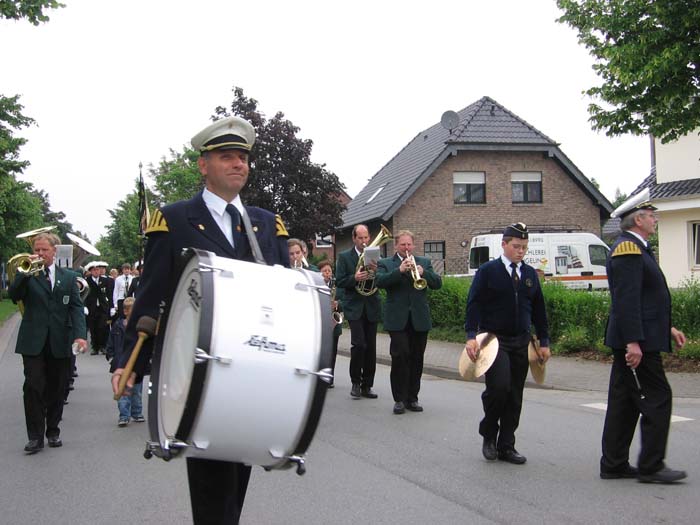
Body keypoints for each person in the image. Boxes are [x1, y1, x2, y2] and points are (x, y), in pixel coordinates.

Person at [112, 116, 290, 524]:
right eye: (227, 157)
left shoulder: (267, 224)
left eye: (243, 157)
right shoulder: (174, 220)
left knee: (237, 478)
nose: (239, 164)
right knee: (213, 486)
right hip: (198, 369)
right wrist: (130, 362)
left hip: (253, 368)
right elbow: (152, 294)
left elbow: (282, 299)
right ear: (203, 165)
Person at [600, 191, 687, 483]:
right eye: (651, 216)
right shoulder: (628, 249)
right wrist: (633, 342)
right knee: (658, 397)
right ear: (638, 220)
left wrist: (668, 328)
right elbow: (626, 299)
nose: (655, 220)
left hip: (642, 336)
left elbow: (646, 299)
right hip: (639, 342)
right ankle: (651, 466)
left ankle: (613, 464)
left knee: (624, 402)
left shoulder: (638, 247)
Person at [464, 222, 550, 465]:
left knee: (515, 394)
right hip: (494, 341)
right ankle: (489, 433)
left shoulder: (530, 274)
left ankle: (507, 445)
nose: (521, 251)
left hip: (521, 340)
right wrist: (471, 336)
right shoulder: (488, 271)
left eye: (524, 247)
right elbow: (474, 304)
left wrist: (544, 341)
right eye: (516, 246)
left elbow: (539, 310)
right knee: (499, 388)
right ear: (504, 245)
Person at [9, 232, 88, 454]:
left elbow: (76, 308)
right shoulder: (27, 274)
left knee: (57, 387)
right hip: (33, 340)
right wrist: (23, 275)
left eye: (44, 250)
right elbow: (14, 295)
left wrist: (80, 335)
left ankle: (53, 430)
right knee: (33, 386)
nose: (40, 253)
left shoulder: (69, 277)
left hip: (60, 340)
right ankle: (35, 437)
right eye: (37, 250)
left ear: (54, 251)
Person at [376, 230, 442, 414]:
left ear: (413, 245)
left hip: (419, 318)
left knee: (417, 358)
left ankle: (412, 398)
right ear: (396, 245)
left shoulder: (424, 262)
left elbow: (438, 283)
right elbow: (380, 282)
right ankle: (399, 399)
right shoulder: (386, 263)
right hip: (397, 319)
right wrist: (399, 271)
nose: (406, 248)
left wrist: (424, 273)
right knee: (400, 356)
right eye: (403, 244)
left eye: (409, 244)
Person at [335, 224, 381, 399]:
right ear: (354, 238)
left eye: (366, 237)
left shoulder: (375, 256)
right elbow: (340, 281)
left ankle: (367, 385)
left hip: (371, 305)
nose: (364, 241)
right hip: (354, 306)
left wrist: (377, 272)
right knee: (359, 345)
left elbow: (382, 279)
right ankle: (355, 382)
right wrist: (354, 278)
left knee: (371, 347)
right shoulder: (345, 257)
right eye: (360, 238)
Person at [106, 297, 144, 427]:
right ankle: (124, 415)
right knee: (122, 390)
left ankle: (137, 412)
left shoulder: (140, 327)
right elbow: (111, 341)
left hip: (136, 364)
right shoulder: (117, 326)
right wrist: (111, 356)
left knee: (136, 390)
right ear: (125, 311)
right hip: (120, 362)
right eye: (131, 310)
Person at [318, 260, 343, 388]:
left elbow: (345, 301)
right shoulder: (317, 285)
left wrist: (338, 304)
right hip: (321, 322)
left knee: (332, 353)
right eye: (324, 271)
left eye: (329, 271)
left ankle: (329, 378)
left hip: (334, 324)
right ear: (320, 273)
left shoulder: (337, 286)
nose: (327, 273)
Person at [84, 261, 113, 355]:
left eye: (97, 269)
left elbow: (109, 294)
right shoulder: (87, 281)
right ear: (91, 271)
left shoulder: (105, 280)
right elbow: (84, 295)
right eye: (94, 270)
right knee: (93, 328)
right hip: (91, 307)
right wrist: (84, 306)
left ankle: (103, 346)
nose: (96, 271)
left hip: (103, 307)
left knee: (102, 327)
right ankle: (95, 347)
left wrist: (111, 307)